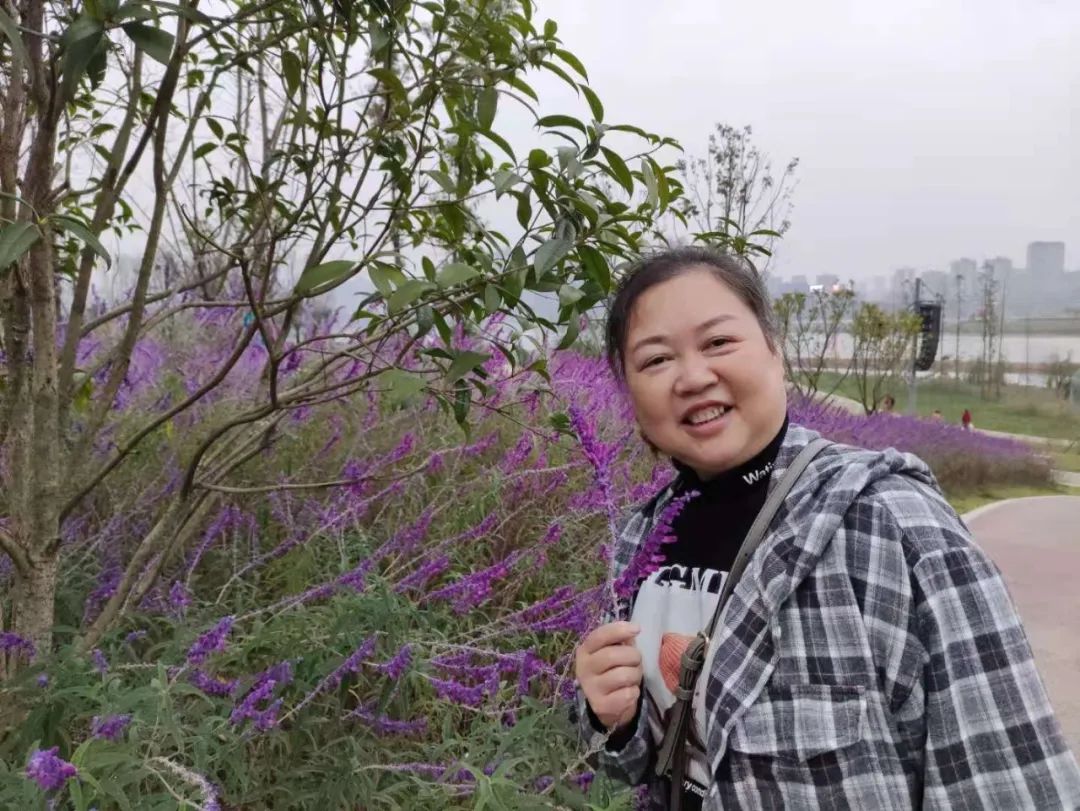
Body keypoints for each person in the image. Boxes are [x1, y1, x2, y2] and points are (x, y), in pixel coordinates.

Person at [572, 247, 1079, 810]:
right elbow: (649, 762)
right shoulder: (642, 542)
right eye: (656, 360)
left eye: (718, 343)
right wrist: (613, 719)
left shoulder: (890, 523)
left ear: (774, 351)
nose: (693, 376)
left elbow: (1004, 781)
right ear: (630, 394)